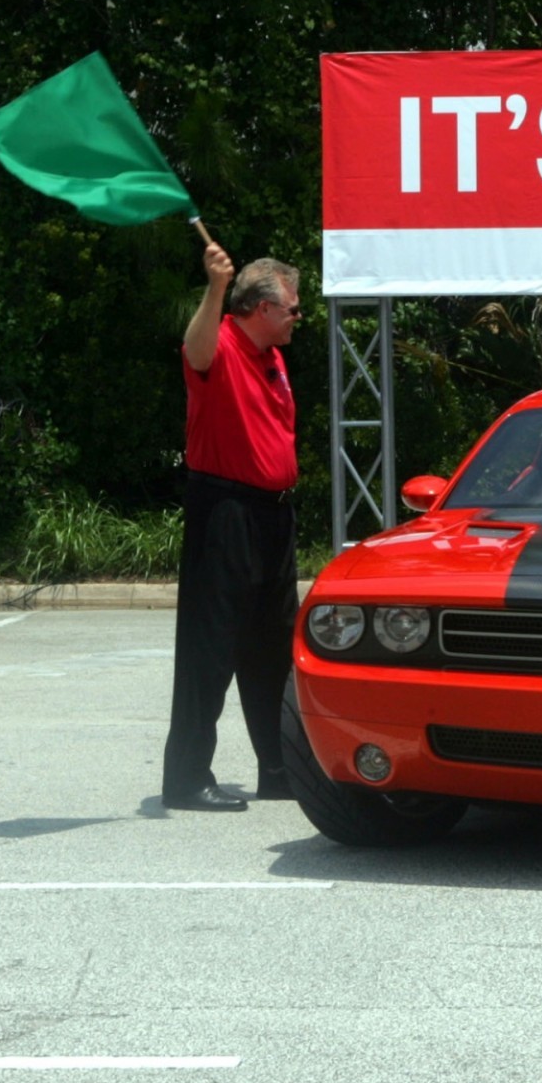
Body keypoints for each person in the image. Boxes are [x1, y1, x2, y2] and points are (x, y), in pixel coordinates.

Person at [161, 244, 302, 813]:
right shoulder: (219, 343)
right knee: (210, 646)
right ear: (261, 308)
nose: (298, 316)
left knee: (272, 647)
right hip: (226, 511)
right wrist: (215, 288)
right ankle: (188, 777)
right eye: (291, 308)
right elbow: (193, 351)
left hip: (273, 513)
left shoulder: (272, 354)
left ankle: (278, 767)